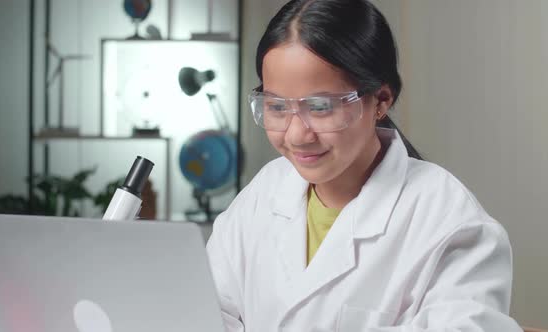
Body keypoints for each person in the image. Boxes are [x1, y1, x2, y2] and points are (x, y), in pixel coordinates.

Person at [206, 0, 522, 330]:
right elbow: (208, 311)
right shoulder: (265, 192)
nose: (297, 135)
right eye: (277, 107)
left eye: (320, 107)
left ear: (381, 100)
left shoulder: (447, 220)